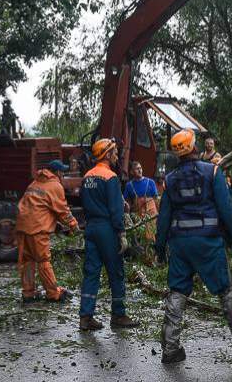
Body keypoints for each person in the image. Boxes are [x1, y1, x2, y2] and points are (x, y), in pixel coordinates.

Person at [154, 129, 232, 364]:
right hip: (208, 242)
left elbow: (163, 219)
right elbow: (226, 209)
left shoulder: (170, 179)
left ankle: (170, 349)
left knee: (177, 291)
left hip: (180, 244)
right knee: (227, 291)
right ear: (194, 147)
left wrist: (159, 249)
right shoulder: (213, 171)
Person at [78, 138, 139, 331]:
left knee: (91, 272)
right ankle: (118, 315)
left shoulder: (87, 176)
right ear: (107, 154)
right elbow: (115, 209)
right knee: (116, 271)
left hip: (91, 228)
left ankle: (86, 317)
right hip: (106, 229)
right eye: (114, 152)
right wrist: (121, 233)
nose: (116, 156)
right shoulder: (110, 177)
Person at [15, 160, 78, 303]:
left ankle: (28, 293)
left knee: (28, 261)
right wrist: (73, 225)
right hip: (37, 228)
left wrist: (55, 224)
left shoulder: (35, 183)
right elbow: (62, 210)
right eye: (62, 171)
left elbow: (39, 206)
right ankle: (53, 293)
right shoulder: (55, 185)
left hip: (22, 227)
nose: (63, 174)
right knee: (43, 260)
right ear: (56, 172)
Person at [123, 161, 159, 243]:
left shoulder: (150, 182)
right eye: (137, 169)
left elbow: (156, 200)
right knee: (139, 240)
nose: (140, 170)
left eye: (140, 168)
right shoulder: (129, 185)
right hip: (138, 218)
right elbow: (127, 203)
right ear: (132, 172)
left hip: (151, 217)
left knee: (152, 240)